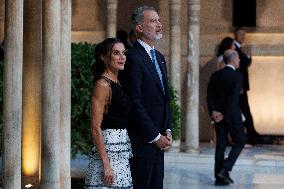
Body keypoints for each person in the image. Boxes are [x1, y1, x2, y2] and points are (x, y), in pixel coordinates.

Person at [120, 6, 173, 189]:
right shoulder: (132, 57)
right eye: (152, 21)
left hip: (159, 142)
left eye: (158, 20)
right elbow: (135, 102)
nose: (158, 25)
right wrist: (154, 136)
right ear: (139, 27)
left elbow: (165, 98)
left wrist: (167, 129)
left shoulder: (159, 57)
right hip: (142, 142)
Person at [84, 38, 133, 189]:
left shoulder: (118, 82)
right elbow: (95, 127)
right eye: (116, 53)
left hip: (121, 151)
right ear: (104, 57)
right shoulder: (102, 85)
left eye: (123, 53)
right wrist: (106, 165)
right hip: (108, 152)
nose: (122, 57)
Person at [207, 49, 246, 186]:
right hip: (232, 116)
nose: (240, 61)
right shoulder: (238, 77)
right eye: (239, 59)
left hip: (218, 116)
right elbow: (233, 99)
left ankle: (219, 178)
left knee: (221, 146)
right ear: (233, 60)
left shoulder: (215, 75)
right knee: (241, 141)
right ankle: (225, 169)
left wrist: (214, 112)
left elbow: (209, 96)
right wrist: (223, 113)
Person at [234, 27, 259, 145]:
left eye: (244, 35)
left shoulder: (241, 48)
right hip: (239, 87)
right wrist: (239, 86)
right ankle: (250, 135)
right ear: (235, 35)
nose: (242, 37)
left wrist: (248, 55)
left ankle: (252, 134)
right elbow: (237, 68)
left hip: (242, 86)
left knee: (245, 111)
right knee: (243, 111)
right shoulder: (234, 49)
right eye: (240, 34)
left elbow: (246, 63)